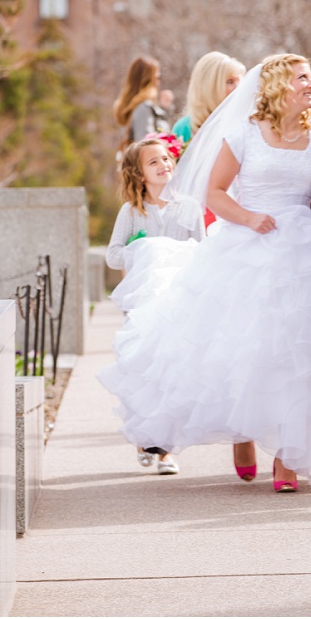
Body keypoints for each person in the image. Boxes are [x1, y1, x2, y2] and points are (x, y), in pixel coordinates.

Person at [98, 54, 311, 492]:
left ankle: (288, 459)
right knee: (249, 346)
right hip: (249, 246)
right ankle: (244, 431)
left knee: (301, 352)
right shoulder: (244, 134)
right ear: (277, 86)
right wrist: (249, 218)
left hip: (304, 249)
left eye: (310, 76)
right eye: (302, 77)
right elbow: (214, 193)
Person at [104, 138, 206, 474]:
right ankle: (144, 437)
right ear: (139, 173)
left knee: (172, 373)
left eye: (166, 158)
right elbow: (113, 253)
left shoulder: (189, 207)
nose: (164, 165)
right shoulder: (132, 211)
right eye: (153, 162)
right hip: (145, 305)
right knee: (145, 371)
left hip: (179, 301)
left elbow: (203, 250)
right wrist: (143, 249)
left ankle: (166, 450)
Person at [171, 51, 245, 143]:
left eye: (239, 81)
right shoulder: (183, 128)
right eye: (230, 81)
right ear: (209, 87)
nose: (238, 87)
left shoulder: (245, 122)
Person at [113, 55, 169, 156]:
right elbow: (146, 147)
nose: (159, 81)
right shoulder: (143, 107)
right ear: (149, 80)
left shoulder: (131, 106)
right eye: (158, 77)